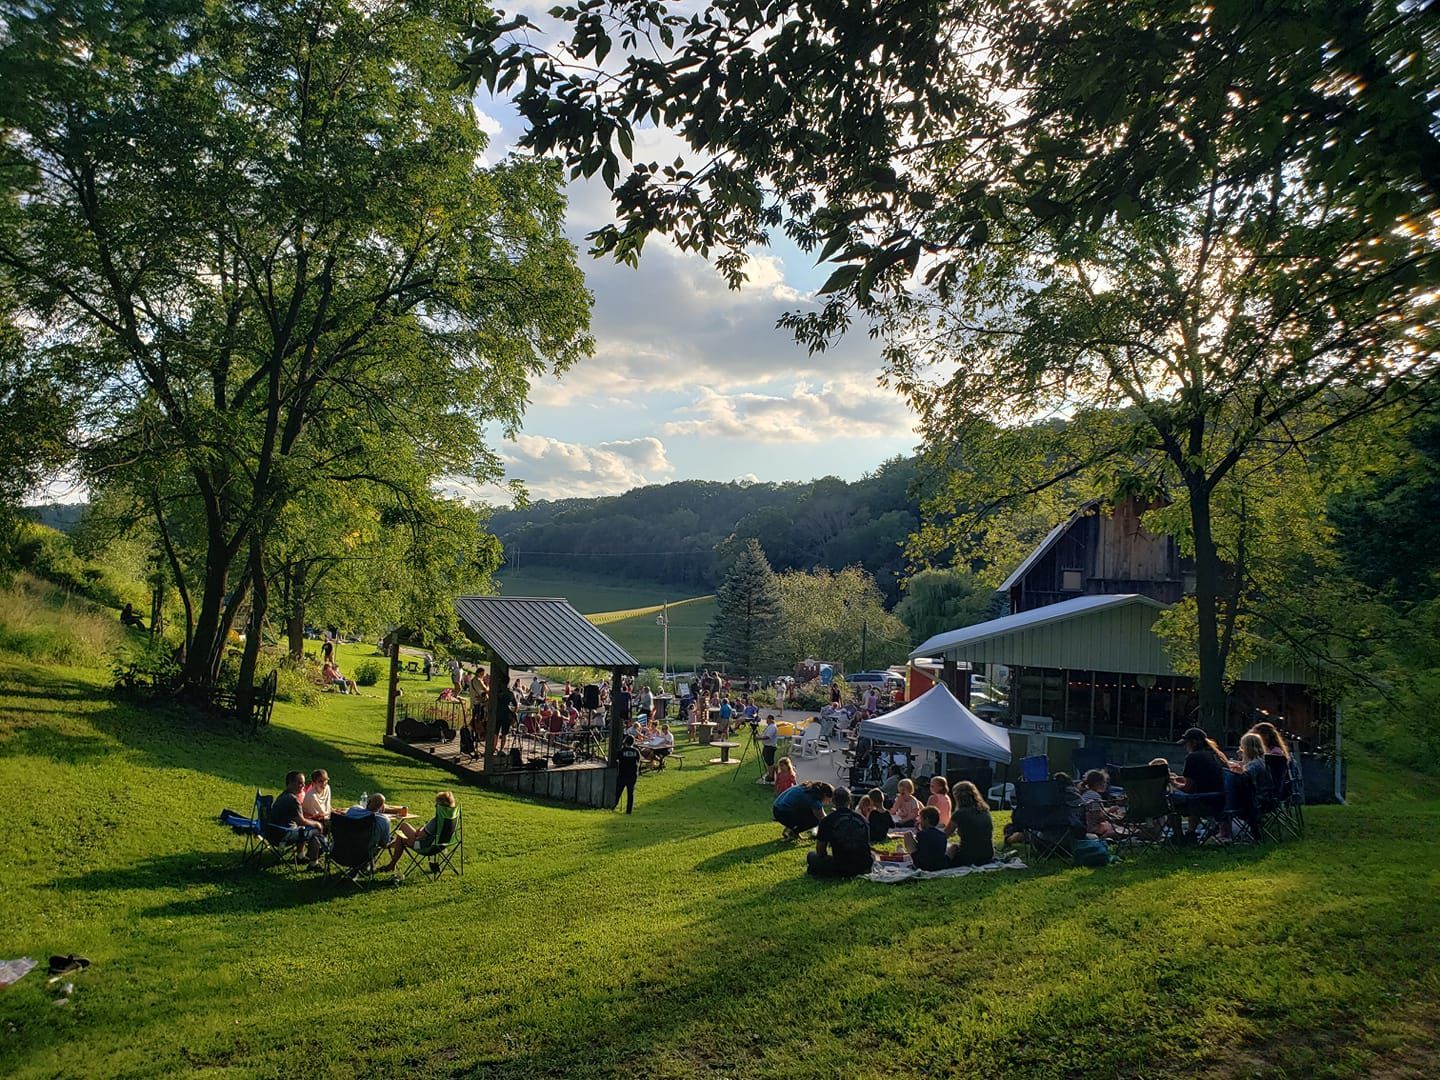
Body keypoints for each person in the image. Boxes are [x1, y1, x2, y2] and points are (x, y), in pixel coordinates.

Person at [1168, 726, 1227, 842]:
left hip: (1204, 803)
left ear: (1193, 743)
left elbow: (1189, 789)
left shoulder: (1193, 757)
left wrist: (1172, 783)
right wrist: (1181, 780)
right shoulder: (1215, 755)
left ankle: (1178, 837)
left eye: (1186, 743)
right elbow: (1201, 781)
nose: (1185, 747)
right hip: (1220, 800)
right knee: (1191, 798)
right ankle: (1190, 833)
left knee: (1170, 801)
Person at [380, 791, 455, 873]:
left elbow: (420, 836)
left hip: (425, 846)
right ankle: (391, 858)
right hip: (441, 846)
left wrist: (420, 830)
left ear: (441, 807)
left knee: (403, 827)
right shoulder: (450, 819)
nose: (435, 806)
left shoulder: (436, 821)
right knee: (401, 838)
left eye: (437, 805)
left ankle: (390, 852)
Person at [807, 787, 874, 879]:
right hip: (864, 866)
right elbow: (866, 846)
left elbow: (820, 851)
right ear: (850, 800)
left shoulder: (827, 821)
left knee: (811, 856)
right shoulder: (861, 819)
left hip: (841, 867)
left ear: (833, 801)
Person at [270, 770, 325, 866]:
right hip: (284, 834)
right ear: (290, 783)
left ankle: (300, 856)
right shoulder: (293, 800)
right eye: (299, 783)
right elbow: (301, 821)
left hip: (272, 832)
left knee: (304, 830)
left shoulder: (283, 795)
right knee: (315, 830)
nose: (303, 786)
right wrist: (316, 823)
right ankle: (313, 863)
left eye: (303, 783)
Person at [944, 781, 995, 865]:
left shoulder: (960, 814)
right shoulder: (984, 811)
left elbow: (945, 834)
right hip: (988, 854)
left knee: (953, 847)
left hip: (969, 856)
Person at [1079, 770, 1124, 839]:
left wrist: (1109, 809)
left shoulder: (1086, 794)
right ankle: (1103, 838)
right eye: (1104, 782)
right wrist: (1113, 815)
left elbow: (1095, 810)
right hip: (1093, 828)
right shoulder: (1095, 796)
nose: (1106, 785)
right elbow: (1098, 817)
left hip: (1084, 825)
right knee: (1118, 828)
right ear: (1098, 783)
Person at [905, 806, 949, 871]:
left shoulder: (922, 834)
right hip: (938, 865)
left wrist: (918, 831)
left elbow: (920, 849)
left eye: (921, 819)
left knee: (907, 834)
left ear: (927, 820)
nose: (919, 821)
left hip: (923, 866)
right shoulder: (942, 835)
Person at [615, 734, 642, 814]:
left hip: (622, 774)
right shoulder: (636, 751)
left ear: (625, 742)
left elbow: (617, 760)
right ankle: (629, 811)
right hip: (632, 775)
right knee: (630, 793)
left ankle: (613, 805)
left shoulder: (621, 751)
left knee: (618, 792)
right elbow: (638, 761)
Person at [758, 714, 780, 783]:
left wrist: (759, 738)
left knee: (770, 762)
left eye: (767, 719)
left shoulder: (772, 727)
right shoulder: (770, 726)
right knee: (768, 761)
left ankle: (771, 776)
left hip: (770, 746)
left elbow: (768, 737)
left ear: (770, 719)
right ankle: (770, 774)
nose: (766, 721)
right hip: (767, 746)